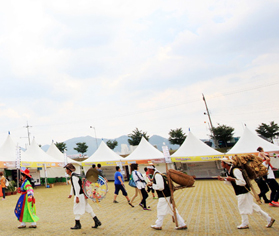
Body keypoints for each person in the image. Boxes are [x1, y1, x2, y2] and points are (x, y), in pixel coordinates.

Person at [218, 158, 275, 229]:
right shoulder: (229, 171)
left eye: (222, 162)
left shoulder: (235, 170)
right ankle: (269, 218)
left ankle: (245, 223)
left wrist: (232, 179)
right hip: (240, 191)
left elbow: (242, 182)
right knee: (253, 207)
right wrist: (224, 179)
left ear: (226, 163)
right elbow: (232, 182)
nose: (221, 164)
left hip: (243, 191)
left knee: (241, 206)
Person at [147, 166, 187, 230]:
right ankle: (182, 224)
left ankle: (158, 225)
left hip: (164, 196)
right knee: (173, 210)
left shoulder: (157, 175)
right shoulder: (157, 174)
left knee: (160, 209)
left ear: (152, 169)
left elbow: (161, 187)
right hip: (167, 195)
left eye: (148, 169)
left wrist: (152, 185)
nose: (148, 171)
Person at [64, 163, 101, 230]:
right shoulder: (75, 175)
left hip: (79, 195)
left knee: (76, 208)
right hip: (82, 195)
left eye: (66, 169)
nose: (65, 171)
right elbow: (73, 186)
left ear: (69, 170)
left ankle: (77, 224)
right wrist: (71, 194)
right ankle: (96, 221)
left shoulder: (74, 177)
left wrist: (77, 197)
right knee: (87, 207)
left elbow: (77, 187)